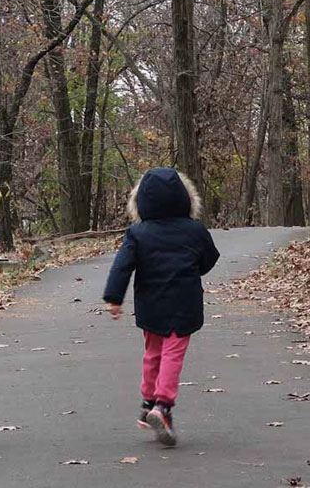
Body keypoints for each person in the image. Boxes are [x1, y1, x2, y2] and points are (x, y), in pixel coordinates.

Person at [102, 167, 220, 447]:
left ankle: (147, 403)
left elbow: (122, 266)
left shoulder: (137, 233)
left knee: (153, 353)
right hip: (183, 303)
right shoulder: (195, 230)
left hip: (150, 304)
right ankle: (163, 405)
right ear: (185, 199)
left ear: (141, 201)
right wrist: (193, 268)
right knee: (172, 354)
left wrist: (114, 298)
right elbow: (209, 258)